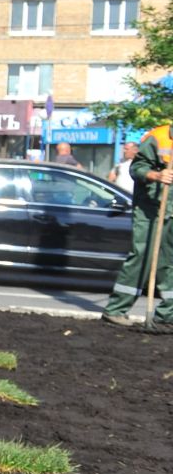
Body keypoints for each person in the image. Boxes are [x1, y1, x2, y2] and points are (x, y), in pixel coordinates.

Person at [101, 122, 172, 331]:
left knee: (169, 261)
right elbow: (137, 168)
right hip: (150, 208)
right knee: (142, 255)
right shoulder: (159, 137)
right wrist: (158, 175)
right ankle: (116, 310)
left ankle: (167, 315)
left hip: (171, 209)